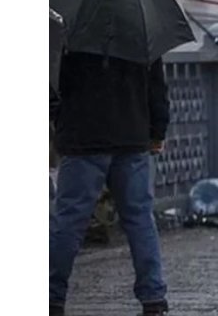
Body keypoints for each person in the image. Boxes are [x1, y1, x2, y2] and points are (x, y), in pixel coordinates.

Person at [51, 50, 171, 316]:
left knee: (68, 222)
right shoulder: (141, 25)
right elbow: (156, 86)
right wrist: (157, 131)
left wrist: (59, 119)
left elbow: (50, 82)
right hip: (131, 136)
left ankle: (52, 298)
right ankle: (153, 298)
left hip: (81, 137)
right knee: (140, 220)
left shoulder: (70, 24)